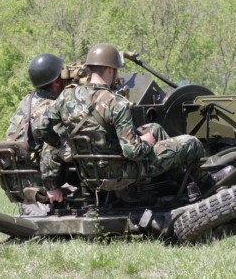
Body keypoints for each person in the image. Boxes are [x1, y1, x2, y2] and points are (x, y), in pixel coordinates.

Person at [34, 43, 221, 203]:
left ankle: (179, 184)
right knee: (190, 143)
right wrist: (146, 142)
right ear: (110, 70)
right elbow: (133, 152)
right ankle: (208, 188)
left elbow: (40, 127)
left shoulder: (67, 97)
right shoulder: (116, 103)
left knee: (154, 128)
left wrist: (63, 144)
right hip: (121, 173)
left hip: (89, 174)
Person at [1, 53, 67, 214]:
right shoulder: (51, 108)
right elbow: (51, 147)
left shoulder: (28, 101)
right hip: (36, 179)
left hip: (17, 178)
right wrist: (52, 186)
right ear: (57, 82)